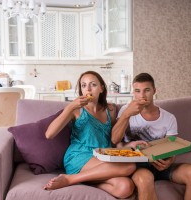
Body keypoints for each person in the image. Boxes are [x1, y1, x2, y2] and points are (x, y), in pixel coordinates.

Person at [43, 71, 136, 199]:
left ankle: (82, 180)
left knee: (125, 187)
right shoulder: (75, 110)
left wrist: (125, 147)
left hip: (104, 155)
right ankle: (69, 179)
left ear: (101, 88)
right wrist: (69, 107)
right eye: (83, 85)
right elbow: (49, 134)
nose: (88, 89)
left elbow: (115, 139)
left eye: (93, 84)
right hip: (80, 156)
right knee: (129, 166)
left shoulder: (111, 110)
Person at [112, 73, 191, 200]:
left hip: (162, 165)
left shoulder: (169, 118)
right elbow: (114, 140)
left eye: (147, 90)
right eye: (137, 91)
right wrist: (127, 114)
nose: (142, 95)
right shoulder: (125, 111)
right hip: (137, 165)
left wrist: (170, 161)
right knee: (145, 179)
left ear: (154, 91)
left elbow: (172, 147)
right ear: (133, 92)